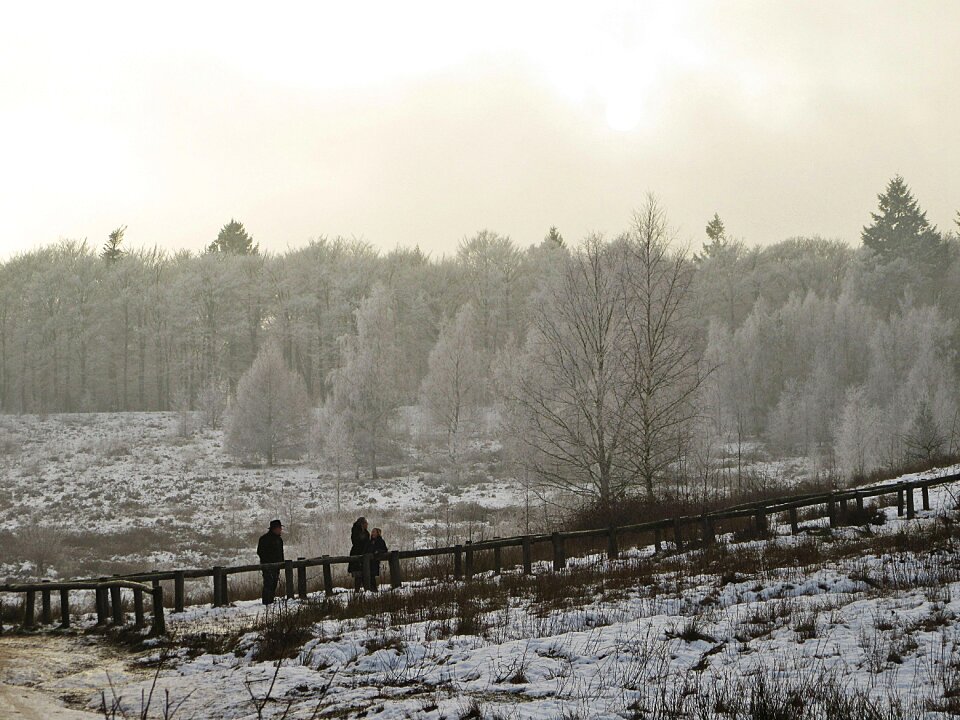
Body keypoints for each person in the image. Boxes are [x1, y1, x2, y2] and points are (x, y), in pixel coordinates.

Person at [257, 519, 284, 605]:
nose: (281, 530)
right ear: (275, 529)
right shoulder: (266, 539)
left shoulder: (278, 540)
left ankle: (269, 601)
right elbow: (260, 552)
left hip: (275, 566)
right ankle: (267, 602)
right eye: (279, 528)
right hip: (268, 566)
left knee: (272, 584)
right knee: (269, 583)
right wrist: (269, 562)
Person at [348, 517, 370, 591]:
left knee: (365, 573)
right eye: (366, 523)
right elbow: (356, 542)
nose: (367, 525)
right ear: (362, 524)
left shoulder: (366, 533)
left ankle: (366, 590)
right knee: (358, 574)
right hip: (357, 553)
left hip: (364, 553)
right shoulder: (356, 532)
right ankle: (357, 590)